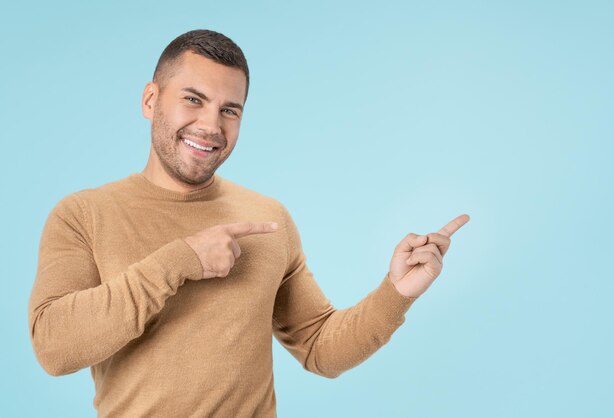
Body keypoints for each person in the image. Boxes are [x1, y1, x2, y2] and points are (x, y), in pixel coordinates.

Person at [28, 29, 470, 417]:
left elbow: (319, 347)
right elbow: (54, 347)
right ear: (150, 99)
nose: (210, 125)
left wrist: (396, 294)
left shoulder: (268, 219)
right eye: (193, 100)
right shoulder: (82, 214)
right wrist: (178, 261)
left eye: (230, 110)